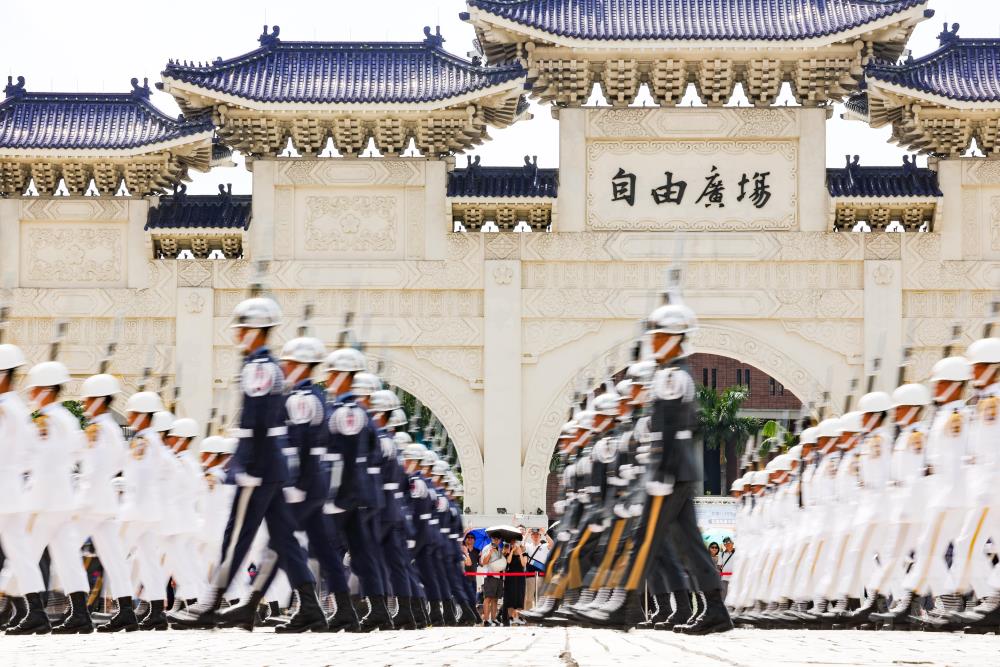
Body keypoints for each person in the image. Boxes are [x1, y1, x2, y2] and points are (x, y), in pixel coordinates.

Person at [174, 296, 325, 633]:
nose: (236, 334)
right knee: (284, 539)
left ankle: (210, 604)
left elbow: (256, 422)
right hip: (271, 467)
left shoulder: (257, 367)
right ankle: (310, 607)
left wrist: (243, 465)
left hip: (258, 466)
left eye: (241, 328)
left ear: (256, 330)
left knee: (235, 537)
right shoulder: (266, 366)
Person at [522, 527, 551, 611]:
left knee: (540, 598)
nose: (535, 536)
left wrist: (545, 533)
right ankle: (527, 616)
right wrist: (527, 534)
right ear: (531, 536)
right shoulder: (528, 546)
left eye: (537, 534)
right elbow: (521, 546)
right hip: (530, 574)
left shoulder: (545, 546)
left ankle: (539, 615)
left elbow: (552, 544)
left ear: (540, 536)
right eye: (533, 534)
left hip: (541, 575)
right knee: (528, 598)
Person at [480, 535, 505, 626]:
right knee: (488, 598)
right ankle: (486, 620)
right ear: (491, 538)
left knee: (495, 599)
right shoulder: (487, 548)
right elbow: (483, 562)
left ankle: (493, 619)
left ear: (500, 539)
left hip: (499, 576)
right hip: (489, 576)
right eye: (494, 537)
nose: (496, 539)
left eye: (498, 538)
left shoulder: (499, 549)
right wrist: (490, 552)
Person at [502, 540, 527, 625]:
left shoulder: (524, 554)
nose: (515, 545)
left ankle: (519, 617)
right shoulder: (508, 554)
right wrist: (512, 551)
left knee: (519, 597)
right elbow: (508, 562)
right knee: (510, 598)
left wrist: (520, 553)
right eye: (513, 544)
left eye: (516, 544)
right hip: (510, 578)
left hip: (520, 578)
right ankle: (511, 618)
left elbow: (524, 564)